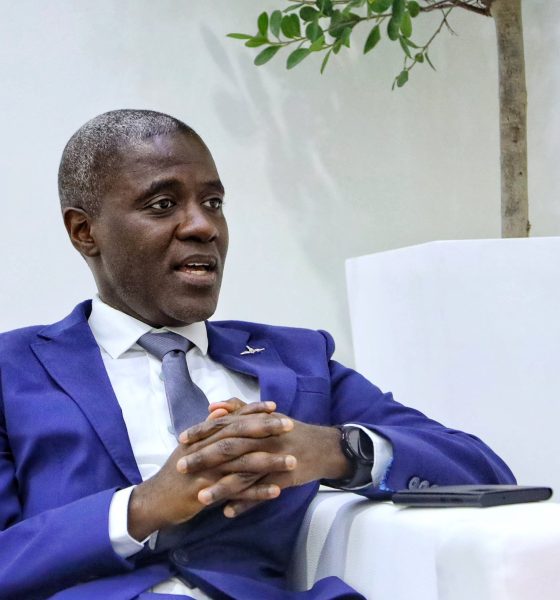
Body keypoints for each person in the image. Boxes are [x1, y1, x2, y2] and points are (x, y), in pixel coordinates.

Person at [0, 109, 515, 600]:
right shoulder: (14, 369)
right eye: (162, 205)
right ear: (84, 231)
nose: (203, 226)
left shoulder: (296, 359)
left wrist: (332, 449)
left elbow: (482, 469)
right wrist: (145, 506)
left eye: (213, 202)